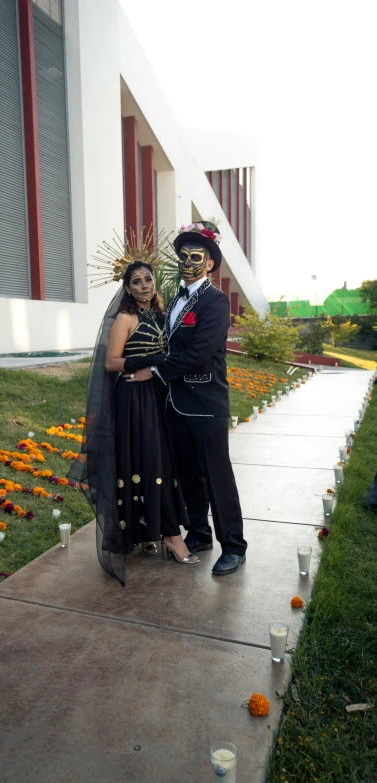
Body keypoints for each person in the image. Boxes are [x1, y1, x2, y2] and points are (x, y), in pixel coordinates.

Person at [69, 232, 198, 585]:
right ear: (126, 288)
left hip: (156, 397)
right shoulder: (126, 318)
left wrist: (158, 366)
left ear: (154, 281)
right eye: (136, 281)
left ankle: (149, 534)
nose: (143, 285)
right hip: (133, 401)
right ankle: (172, 538)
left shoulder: (158, 313)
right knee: (150, 461)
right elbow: (110, 362)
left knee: (157, 462)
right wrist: (148, 360)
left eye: (147, 279)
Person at [124, 221, 248, 576]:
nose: (188, 262)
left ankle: (235, 546)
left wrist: (155, 371)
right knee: (189, 475)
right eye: (183, 256)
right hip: (175, 404)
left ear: (210, 263)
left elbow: (200, 351)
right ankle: (199, 533)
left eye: (196, 256)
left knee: (217, 476)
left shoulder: (216, 301)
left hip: (207, 403)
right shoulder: (176, 299)